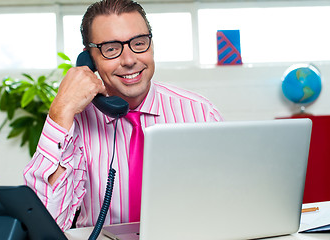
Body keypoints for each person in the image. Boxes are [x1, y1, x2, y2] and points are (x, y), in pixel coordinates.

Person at [23, 0, 223, 231]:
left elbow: (227, 203)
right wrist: (61, 111)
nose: (129, 60)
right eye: (111, 49)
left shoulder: (200, 113)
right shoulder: (73, 123)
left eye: (139, 43)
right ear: (90, 60)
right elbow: (44, 225)